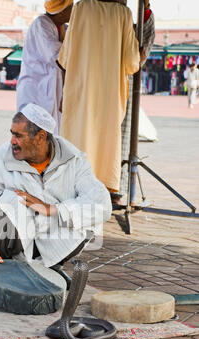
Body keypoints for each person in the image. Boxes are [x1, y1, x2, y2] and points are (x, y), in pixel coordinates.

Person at [0, 103, 112, 278]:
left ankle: (47, 267)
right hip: (11, 239)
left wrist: (52, 209)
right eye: (12, 134)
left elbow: (102, 204)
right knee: (11, 200)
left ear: (41, 137)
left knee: (90, 214)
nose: (12, 141)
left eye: (19, 136)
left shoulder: (75, 161)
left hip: (56, 237)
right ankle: (19, 267)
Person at [58, 0, 140, 196]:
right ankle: (100, 190)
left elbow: (65, 58)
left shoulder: (80, 8)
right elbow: (131, 63)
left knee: (79, 133)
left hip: (81, 87)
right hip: (108, 92)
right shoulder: (124, 14)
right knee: (105, 139)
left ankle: (74, 187)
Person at [16, 0, 73, 134]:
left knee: (51, 133)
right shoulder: (41, 24)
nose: (73, 11)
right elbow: (57, 56)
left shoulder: (62, 28)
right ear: (61, 12)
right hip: (36, 89)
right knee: (33, 132)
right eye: (71, 8)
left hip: (51, 89)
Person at [118, 2, 155, 205]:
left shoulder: (128, 23)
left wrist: (146, 7)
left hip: (122, 87)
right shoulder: (89, 15)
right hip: (99, 87)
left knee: (121, 139)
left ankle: (118, 188)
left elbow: (140, 53)